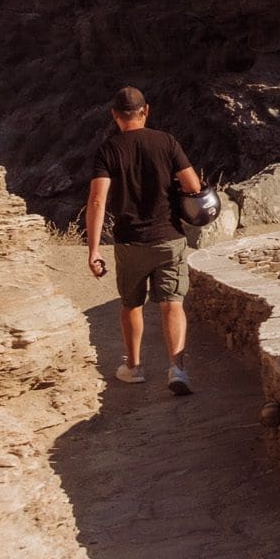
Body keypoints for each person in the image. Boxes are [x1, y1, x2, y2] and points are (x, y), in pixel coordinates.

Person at [85, 87, 202, 394]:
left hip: (129, 243)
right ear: (146, 110)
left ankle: (134, 367)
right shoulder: (166, 141)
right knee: (172, 304)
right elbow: (193, 185)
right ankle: (177, 369)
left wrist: (94, 249)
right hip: (169, 237)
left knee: (131, 305)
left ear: (114, 115)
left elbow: (97, 201)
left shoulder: (108, 150)